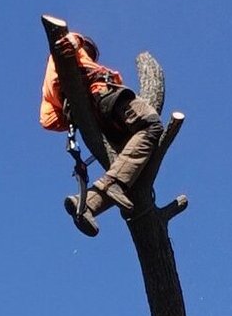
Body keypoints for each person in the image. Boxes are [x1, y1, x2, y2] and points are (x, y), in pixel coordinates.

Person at [39, 30, 162, 236]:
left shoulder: (49, 89)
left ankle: (87, 205)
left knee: (132, 170)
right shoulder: (69, 51)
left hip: (103, 122)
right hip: (104, 96)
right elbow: (71, 39)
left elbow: (47, 120)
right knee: (151, 125)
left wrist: (73, 109)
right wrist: (72, 43)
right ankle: (111, 183)